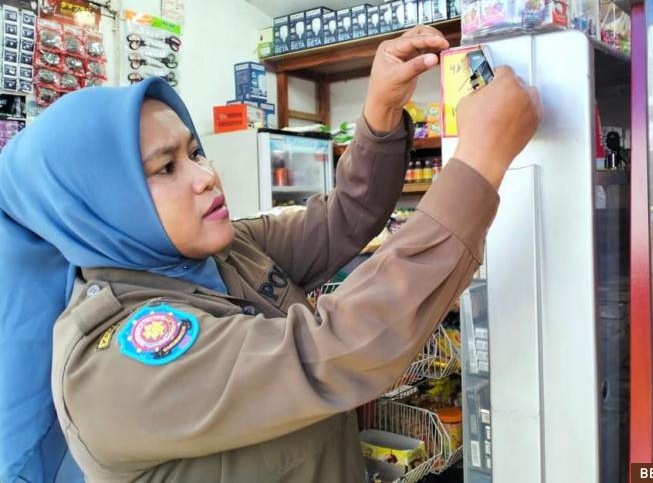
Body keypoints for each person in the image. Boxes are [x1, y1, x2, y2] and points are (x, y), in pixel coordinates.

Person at [0, 25, 542, 483]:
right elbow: (336, 349)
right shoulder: (118, 362)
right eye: (166, 168)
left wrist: (380, 110)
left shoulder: (222, 250)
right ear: (97, 205)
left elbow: (343, 218)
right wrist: (477, 165)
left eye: (194, 152)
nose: (206, 175)